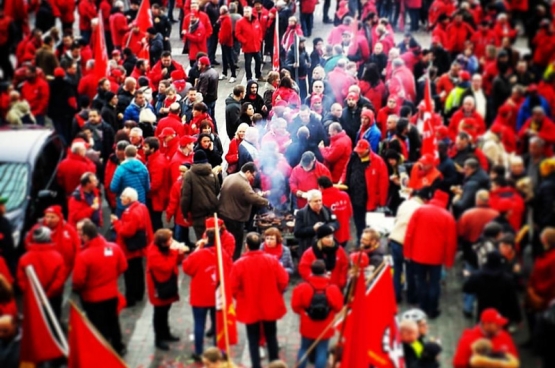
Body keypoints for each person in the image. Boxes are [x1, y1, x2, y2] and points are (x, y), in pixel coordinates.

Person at [230, 232, 289, 368]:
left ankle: (256, 365)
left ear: (247, 246)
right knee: (271, 336)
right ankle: (274, 363)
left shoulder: (239, 264)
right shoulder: (272, 260)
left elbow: (232, 287)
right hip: (270, 304)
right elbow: (283, 280)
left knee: (253, 338)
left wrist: (241, 297)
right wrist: (276, 293)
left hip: (250, 306)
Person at [73, 219, 127, 355]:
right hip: (111, 293)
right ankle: (118, 346)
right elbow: (123, 266)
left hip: (92, 299)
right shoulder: (114, 248)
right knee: (113, 321)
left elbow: (78, 281)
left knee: (98, 325)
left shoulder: (83, 256)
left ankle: (103, 350)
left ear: (85, 236)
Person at [404, 190, 457, 319]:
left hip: (418, 254)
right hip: (436, 258)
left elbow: (409, 233)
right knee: (434, 283)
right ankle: (432, 310)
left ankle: (422, 308)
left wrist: (407, 252)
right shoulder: (448, 217)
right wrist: (449, 261)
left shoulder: (420, 211)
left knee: (421, 282)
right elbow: (451, 242)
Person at [291, 260, 343, 368]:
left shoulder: (302, 287)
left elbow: (295, 306)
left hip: (307, 324)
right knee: (322, 350)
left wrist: (304, 313)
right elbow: (338, 307)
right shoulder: (332, 288)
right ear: (325, 271)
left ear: (311, 270)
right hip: (325, 325)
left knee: (304, 348)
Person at [218, 163, 270, 260]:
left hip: (224, 214)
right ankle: (234, 261)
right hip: (234, 218)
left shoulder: (230, 177)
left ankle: (225, 260)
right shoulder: (243, 183)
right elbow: (252, 198)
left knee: (225, 241)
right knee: (236, 243)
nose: (253, 178)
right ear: (247, 172)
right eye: (253, 175)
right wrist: (267, 203)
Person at [340, 139, 389, 241]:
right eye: (358, 151)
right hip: (354, 197)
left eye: (361, 152)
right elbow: (346, 169)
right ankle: (360, 239)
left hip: (369, 199)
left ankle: (368, 243)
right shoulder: (354, 157)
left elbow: (383, 183)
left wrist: (381, 202)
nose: (359, 153)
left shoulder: (378, 162)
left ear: (367, 150)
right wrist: (342, 180)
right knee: (358, 221)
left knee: (369, 223)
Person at [146, 229, 187, 350]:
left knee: (165, 311)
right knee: (159, 314)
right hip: (159, 288)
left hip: (167, 284)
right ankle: (159, 338)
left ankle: (166, 333)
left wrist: (179, 252)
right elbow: (166, 266)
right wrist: (175, 252)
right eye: (169, 240)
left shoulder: (163, 248)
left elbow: (177, 261)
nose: (172, 242)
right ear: (163, 243)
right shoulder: (153, 253)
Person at [17, 226, 66, 321]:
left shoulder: (24, 258)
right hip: (53, 298)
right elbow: (59, 280)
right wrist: (46, 296)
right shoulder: (58, 257)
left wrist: (32, 294)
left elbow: (21, 280)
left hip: (32, 298)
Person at [463, 251, 522, 326]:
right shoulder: (507, 279)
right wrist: (518, 318)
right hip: (500, 314)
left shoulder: (479, 276)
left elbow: (467, 288)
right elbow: (513, 300)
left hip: (483, 313)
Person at [453, 308, 519, 368]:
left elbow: (514, 358)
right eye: (497, 324)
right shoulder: (468, 339)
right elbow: (458, 364)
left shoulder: (505, 336)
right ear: (487, 324)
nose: (500, 326)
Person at [180, 150, 221, 239]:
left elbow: (186, 197)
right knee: (213, 240)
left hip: (198, 214)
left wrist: (185, 214)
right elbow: (217, 190)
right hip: (212, 213)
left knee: (201, 239)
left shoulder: (189, 175)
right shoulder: (212, 173)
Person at [298, 225, 349, 290]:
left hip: (336, 287)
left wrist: (342, 281)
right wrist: (313, 280)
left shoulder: (339, 249)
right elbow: (303, 269)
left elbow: (344, 266)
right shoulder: (309, 253)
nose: (330, 239)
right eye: (327, 237)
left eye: (331, 236)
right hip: (317, 288)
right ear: (321, 238)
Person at [110, 145, 151, 216]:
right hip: (140, 202)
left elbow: (113, 188)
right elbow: (147, 187)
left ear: (125, 154)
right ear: (136, 154)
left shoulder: (120, 169)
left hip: (124, 204)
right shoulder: (144, 168)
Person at [143, 137, 170, 232]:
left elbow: (155, 184)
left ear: (152, 149)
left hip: (156, 198)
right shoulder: (156, 158)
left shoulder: (157, 162)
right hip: (156, 197)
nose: (143, 148)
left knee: (155, 222)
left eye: (146, 147)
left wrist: (145, 190)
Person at [235, 7, 263, 81]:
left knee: (259, 61)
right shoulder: (240, 22)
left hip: (256, 45)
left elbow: (260, 30)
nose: (246, 13)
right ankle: (249, 77)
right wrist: (244, 41)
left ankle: (258, 75)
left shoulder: (256, 20)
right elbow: (237, 34)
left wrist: (260, 39)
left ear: (251, 12)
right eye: (245, 12)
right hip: (247, 47)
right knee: (248, 63)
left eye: (247, 11)